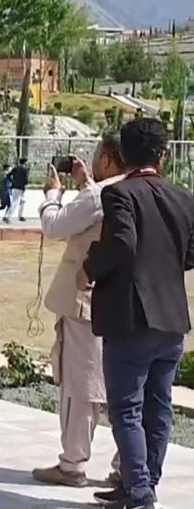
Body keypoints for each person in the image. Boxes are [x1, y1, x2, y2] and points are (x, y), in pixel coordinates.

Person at [83, 117, 194, 509]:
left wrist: (88, 267)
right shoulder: (184, 198)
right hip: (172, 319)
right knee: (158, 406)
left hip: (132, 318)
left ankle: (140, 491)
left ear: (123, 154)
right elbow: (190, 254)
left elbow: (121, 244)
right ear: (162, 155)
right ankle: (142, 483)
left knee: (126, 408)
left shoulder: (120, 195)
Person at [29, 133, 125, 488]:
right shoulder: (135, 188)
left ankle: (72, 463)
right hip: (126, 303)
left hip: (87, 301)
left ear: (106, 160)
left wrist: (53, 194)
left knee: (81, 384)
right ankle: (126, 464)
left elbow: (55, 226)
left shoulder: (100, 196)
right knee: (125, 385)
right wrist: (85, 183)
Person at [4, 157, 30, 222]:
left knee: (23, 201)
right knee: (15, 202)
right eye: (27, 162)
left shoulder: (15, 168)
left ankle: (20, 216)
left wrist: (12, 181)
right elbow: (26, 180)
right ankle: (7, 216)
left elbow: (8, 175)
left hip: (15, 187)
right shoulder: (25, 170)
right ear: (24, 162)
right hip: (20, 188)